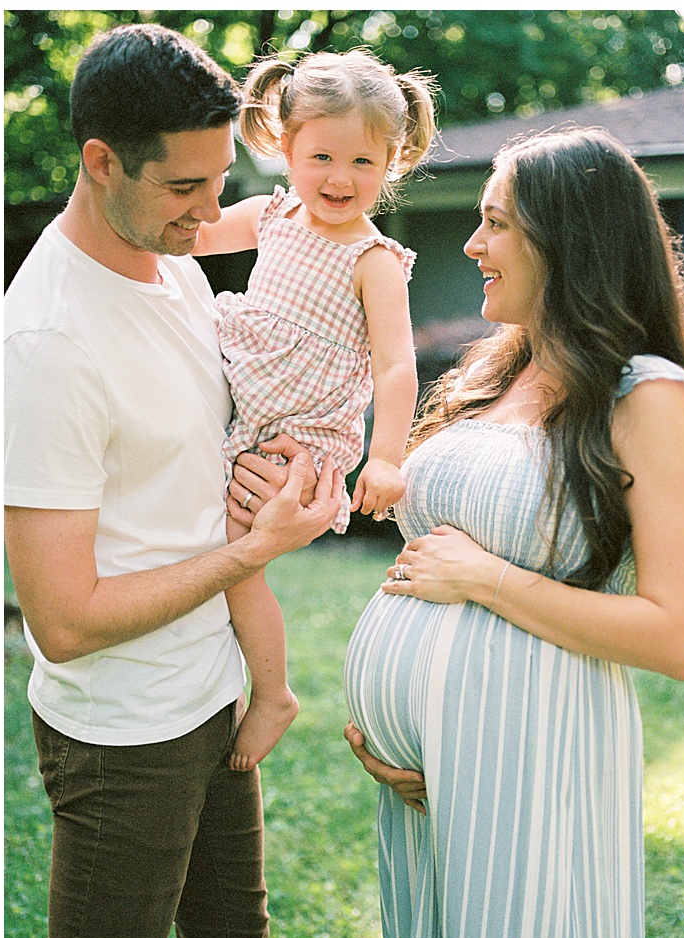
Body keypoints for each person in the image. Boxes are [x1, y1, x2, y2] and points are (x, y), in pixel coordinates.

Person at [310, 128, 684, 938]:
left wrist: (486, 581)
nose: (471, 245)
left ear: (564, 239)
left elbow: (675, 635)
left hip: (539, 751)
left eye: (495, 224)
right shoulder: (499, 369)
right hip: (442, 778)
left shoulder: (644, 394)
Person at [3, 23, 343, 938]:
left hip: (210, 692)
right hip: (121, 734)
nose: (209, 214)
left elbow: (190, 456)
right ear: (102, 162)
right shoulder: (47, 341)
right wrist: (250, 555)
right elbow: (62, 623)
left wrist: (270, 471)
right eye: (184, 189)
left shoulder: (175, 266)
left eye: (219, 182)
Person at [192, 49, 435, 770]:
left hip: (299, 432)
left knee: (239, 558)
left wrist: (386, 456)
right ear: (285, 143)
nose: (339, 178)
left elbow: (397, 366)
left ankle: (272, 693)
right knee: (212, 543)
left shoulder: (374, 260)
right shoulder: (271, 215)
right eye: (322, 154)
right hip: (245, 409)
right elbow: (192, 236)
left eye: (363, 162)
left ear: (392, 161)